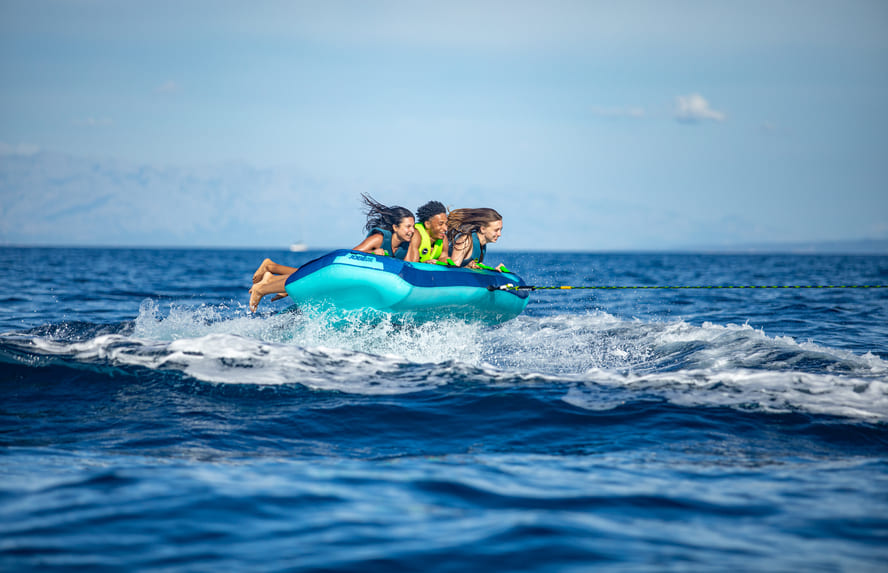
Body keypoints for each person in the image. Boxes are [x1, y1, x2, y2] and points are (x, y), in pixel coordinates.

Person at [248, 195, 415, 312]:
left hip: (365, 282)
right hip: (349, 274)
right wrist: (374, 255)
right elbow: (353, 257)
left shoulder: (405, 247)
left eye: (413, 226)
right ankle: (263, 287)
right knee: (310, 276)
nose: (412, 231)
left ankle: (272, 268)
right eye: (408, 227)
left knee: (304, 275)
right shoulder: (378, 239)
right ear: (395, 227)